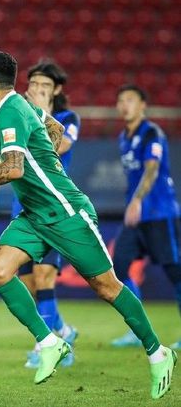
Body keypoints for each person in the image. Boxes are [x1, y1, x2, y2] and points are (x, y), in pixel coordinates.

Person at [0, 51, 176, 399]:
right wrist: (47, 160)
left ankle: (158, 352)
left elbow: (14, 169)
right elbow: (56, 128)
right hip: (36, 215)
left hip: (65, 212)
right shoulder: (21, 105)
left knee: (107, 287)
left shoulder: (8, 113)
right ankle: (50, 341)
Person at [0, 60, 79, 368]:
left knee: (44, 275)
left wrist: (37, 117)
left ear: (55, 91)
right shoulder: (19, 113)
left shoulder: (66, 118)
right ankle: (61, 331)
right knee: (30, 284)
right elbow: (6, 154)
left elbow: (58, 145)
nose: (37, 89)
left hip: (52, 208)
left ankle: (48, 347)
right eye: (33, 84)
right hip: (22, 208)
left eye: (44, 86)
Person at [110, 84, 181, 349]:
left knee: (176, 273)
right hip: (136, 218)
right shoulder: (123, 137)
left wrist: (137, 200)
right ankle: (137, 329)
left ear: (143, 106)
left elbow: (151, 170)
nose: (124, 104)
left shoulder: (152, 133)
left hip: (160, 214)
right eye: (121, 100)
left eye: (130, 99)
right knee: (118, 267)